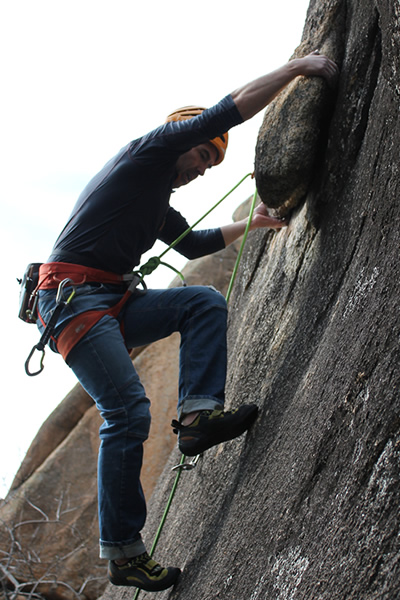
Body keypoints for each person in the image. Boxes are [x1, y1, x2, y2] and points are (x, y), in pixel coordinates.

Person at [36, 51, 338, 592]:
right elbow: (229, 111)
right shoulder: (148, 153)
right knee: (127, 411)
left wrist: (252, 224)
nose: (202, 169)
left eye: (209, 166)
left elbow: (192, 242)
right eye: (202, 156)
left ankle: (199, 419)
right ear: (181, 137)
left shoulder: (155, 198)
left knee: (202, 302)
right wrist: (296, 71)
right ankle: (125, 553)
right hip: (73, 302)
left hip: (107, 305)